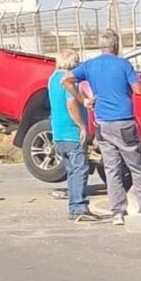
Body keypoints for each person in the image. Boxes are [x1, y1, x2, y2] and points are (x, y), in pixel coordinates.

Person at [63, 29, 141, 226]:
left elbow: (67, 79)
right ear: (116, 45)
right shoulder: (123, 64)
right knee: (137, 166)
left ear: (100, 46)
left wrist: (84, 99)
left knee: (112, 168)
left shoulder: (90, 65)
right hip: (124, 121)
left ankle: (117, 212)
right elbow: (139, 91)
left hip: (102, 123)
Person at [47, 49, 97, 222]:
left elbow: (71, 99)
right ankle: (79, 207)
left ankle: (74, 206)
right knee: (80, 169)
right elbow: (70, 104)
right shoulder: (68, 81)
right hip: (71, 132)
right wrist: (82, 126)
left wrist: (84, 100)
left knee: (71, 170)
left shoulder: (52, 78)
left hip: (58, 132)